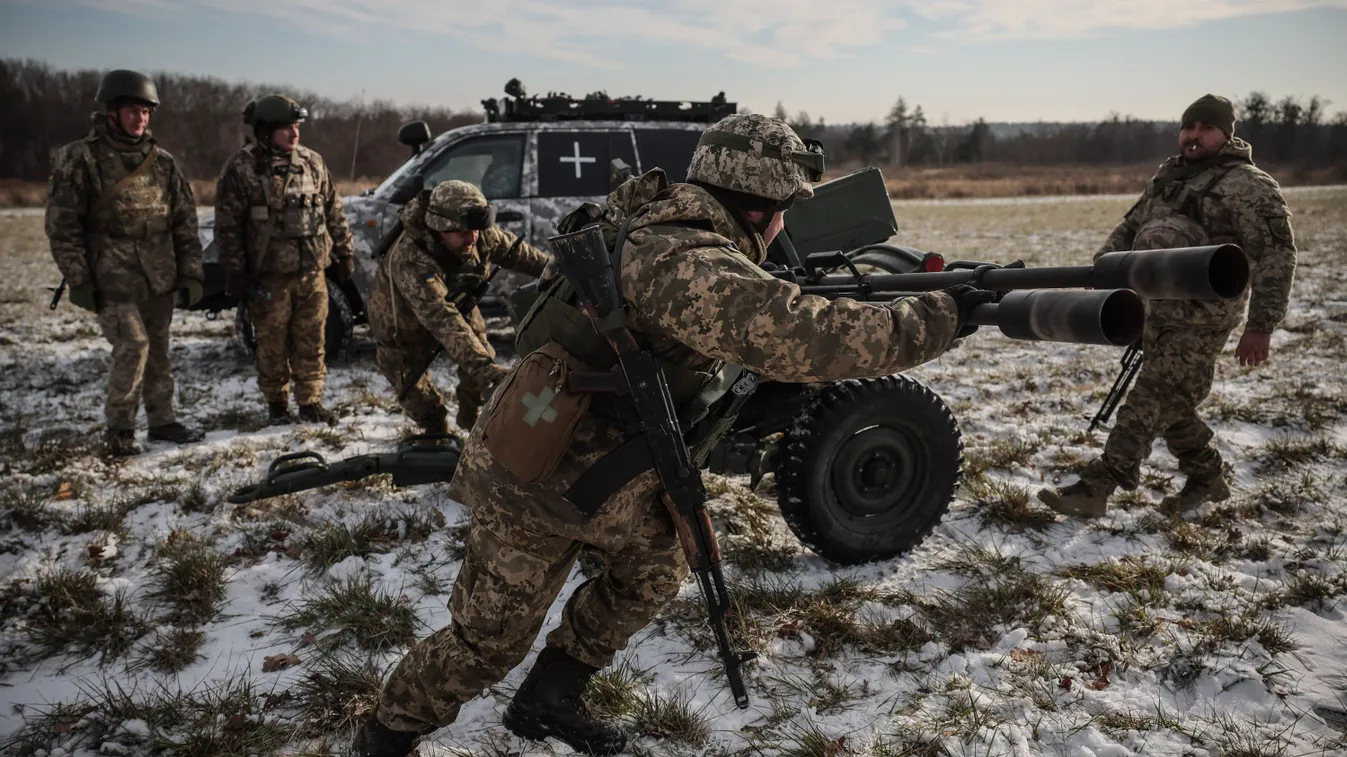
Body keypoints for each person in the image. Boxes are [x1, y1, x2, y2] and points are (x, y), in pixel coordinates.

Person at [351, 114, 992, 757]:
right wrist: (941, 315)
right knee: (486, 644)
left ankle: (548, 698)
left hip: (616, 462)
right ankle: (385, 734)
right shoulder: (682, 258)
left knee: (652, 575)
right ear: (763, 205)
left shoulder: (663, 221)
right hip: (541, 471)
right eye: (785, 210)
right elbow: (809, 339)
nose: (784, 226)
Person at [1038, 94, 1298, 518]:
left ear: (1226, 134)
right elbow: (1131, 229)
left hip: (1204, 319)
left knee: (1149, 397)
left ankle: (1097, 487)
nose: (1193, 136)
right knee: (1172, 400)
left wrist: (1262, 325)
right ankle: (1207, 478)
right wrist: (1102, 276)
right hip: (1156, 310)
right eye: (1188, 127)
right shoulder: (1170, 177)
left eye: (1205, 128)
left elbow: (1276, 255)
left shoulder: (1249, 186)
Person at [45, 69, 206, 457]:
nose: (141, 119)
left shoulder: (163, 162)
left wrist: (191, 273)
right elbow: (62, 226)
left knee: (160, 350)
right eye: (133, 111)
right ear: (112, 112)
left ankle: (162, 420)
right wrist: (79, 279)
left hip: (159, 276)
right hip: (110, 278)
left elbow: (184, 221)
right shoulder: (79, 158)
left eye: (146, 112)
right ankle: (119, 429)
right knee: (133, 346)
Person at [366, 180, 551, 434]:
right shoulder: (411, 258)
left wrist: (558, 271)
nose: (472, 238)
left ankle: (471, 422)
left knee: (480, 364)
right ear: (440, 228)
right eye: (463, 233)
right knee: (421, 402)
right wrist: (488, 372)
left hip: (457, 305)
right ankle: (437, 437)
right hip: (402, 327)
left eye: (476, 230)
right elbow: (443, 320)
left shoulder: (477, 233)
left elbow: (522, 255)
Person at [213, 94, 355, 426]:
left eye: (297, 127)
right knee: (272, 345)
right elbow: (228, 225)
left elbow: (334, 210)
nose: (295, 135)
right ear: (265, 131)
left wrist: (345, 252)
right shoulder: (242, 167)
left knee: (312, 340)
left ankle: (311, 402)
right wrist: (235, 269)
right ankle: (277, 405)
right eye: (286, 129)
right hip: (268, 278)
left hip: (312, 274)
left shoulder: (312, 162)